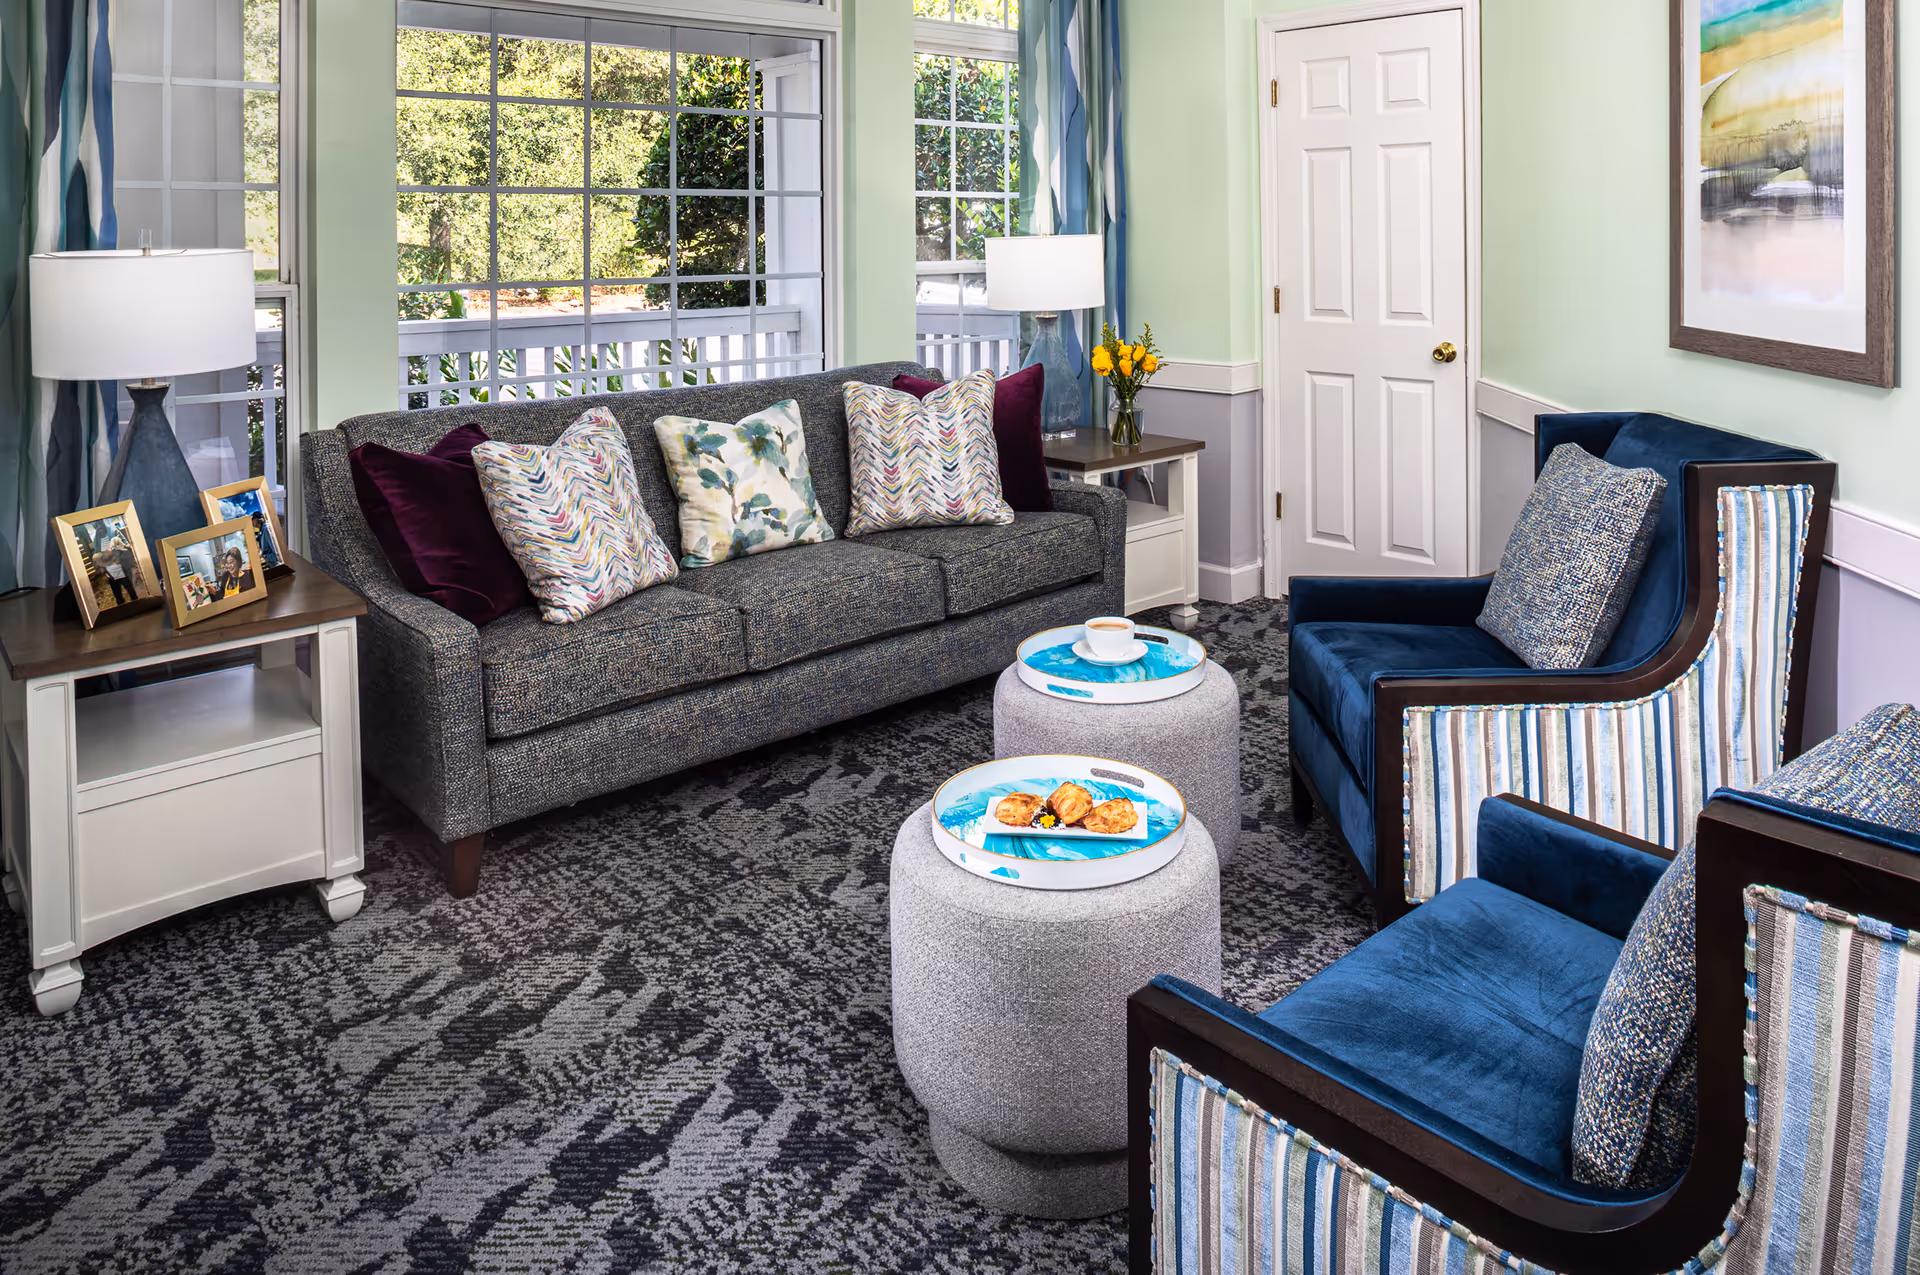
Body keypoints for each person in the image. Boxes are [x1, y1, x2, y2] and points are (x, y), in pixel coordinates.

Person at [94, 528, 135, 606]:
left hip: (120, 571)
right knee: (118, 595)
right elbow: (98, 558)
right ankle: (121, 605)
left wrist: (124, 547)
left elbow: (123, 547)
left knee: (130, 590)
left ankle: (135, 601)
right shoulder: (97, 539)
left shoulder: (112, 531)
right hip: (111, 574)